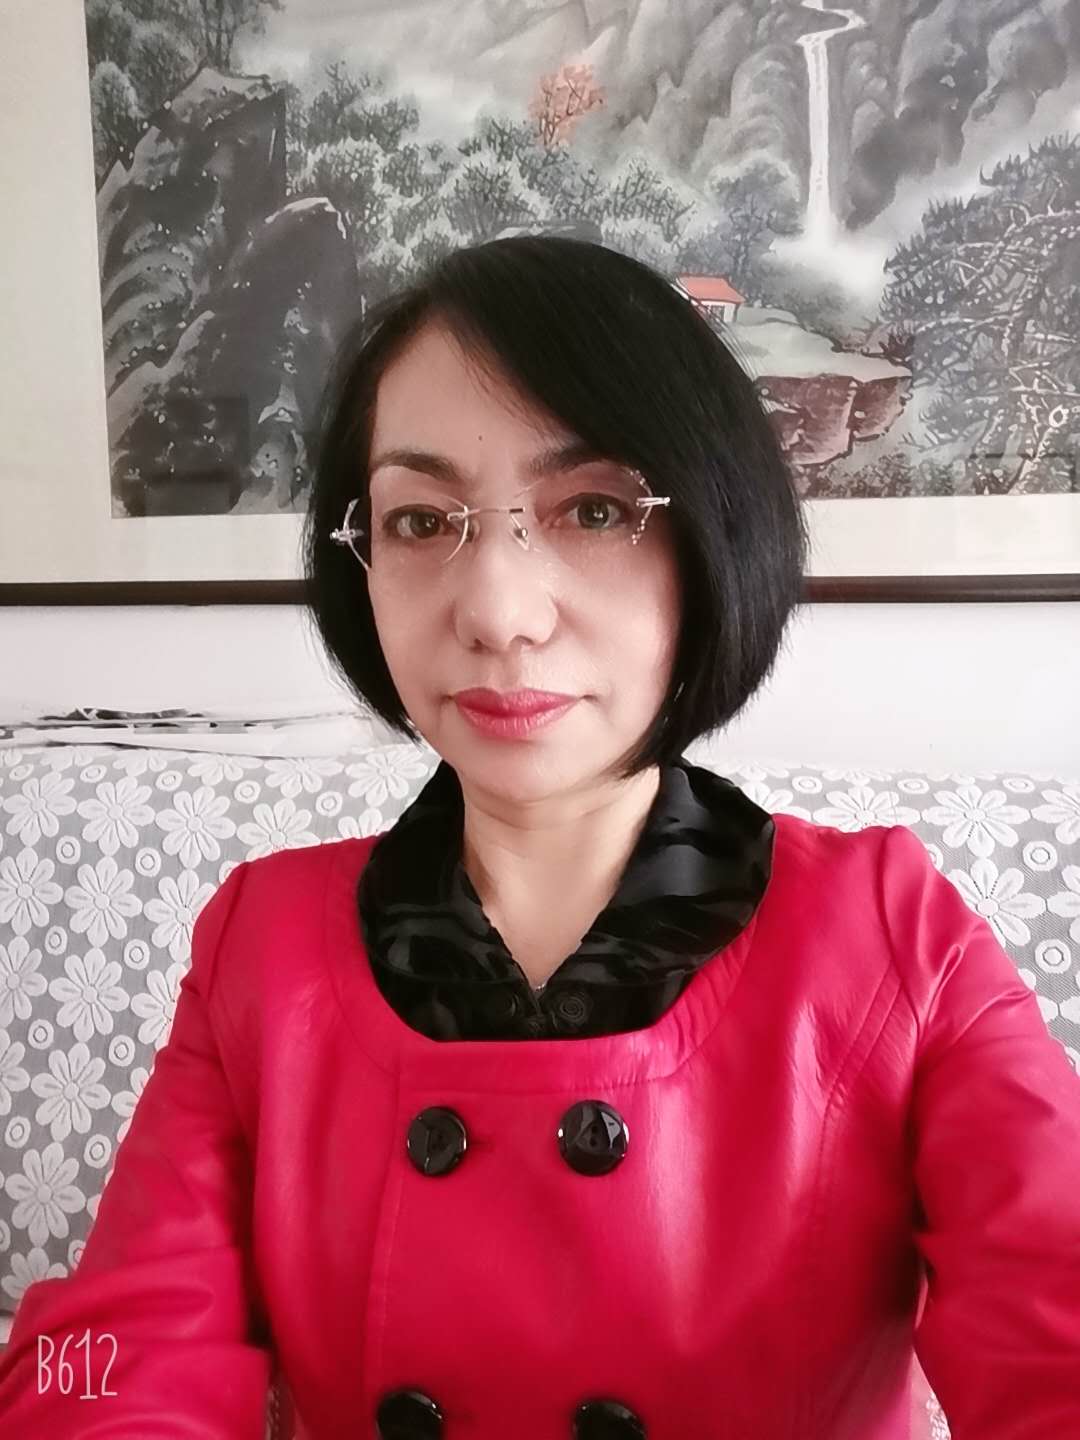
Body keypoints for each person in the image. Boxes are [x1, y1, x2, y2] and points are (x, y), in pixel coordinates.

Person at [1, 235, 1078, 1440]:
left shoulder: (893, 939)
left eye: (596, 509)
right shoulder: (263, 939)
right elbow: (112, 1354)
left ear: (715, 535)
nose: (499, 613)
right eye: (422, 521)